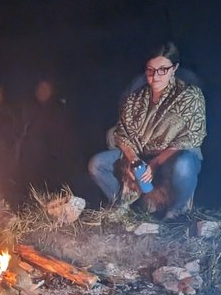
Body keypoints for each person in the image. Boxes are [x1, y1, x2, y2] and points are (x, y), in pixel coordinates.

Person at [87, 41, 206, 219]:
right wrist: (133, 159)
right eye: (150, 70)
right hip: (141, 154)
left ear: (174, 68)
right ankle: (124, 208)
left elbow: (191, 137)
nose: (155, 76)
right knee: (97, 164)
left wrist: (156, 163)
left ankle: (176, 212)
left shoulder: (189, 95)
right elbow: (122, 133)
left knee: (183, 165)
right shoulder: (136, 98)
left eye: (162, 70)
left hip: (172, 156)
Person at [17, 78, 84, 196]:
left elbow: (62, 139)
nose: (42, 92)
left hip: (55, 157)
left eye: (46, 89)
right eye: (40, 88)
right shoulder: (31, 108)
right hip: (37, 157)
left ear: (52, 91)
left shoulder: (58, 109)